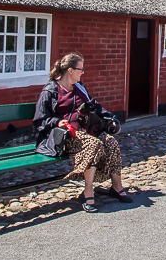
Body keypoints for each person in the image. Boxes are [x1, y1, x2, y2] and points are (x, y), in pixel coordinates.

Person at [33, 53, 133, 212]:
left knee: (111, 142)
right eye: (80, 69)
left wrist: (110, 118)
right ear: (70, 71)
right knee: (93, 144)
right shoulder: (50, 91)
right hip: (63, 135)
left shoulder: (80, 88)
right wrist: (58, 122)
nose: (83, 72)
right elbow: (40, 120)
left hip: (85, 130)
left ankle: (117, 187)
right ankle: (87, 192)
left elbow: (96, 107)